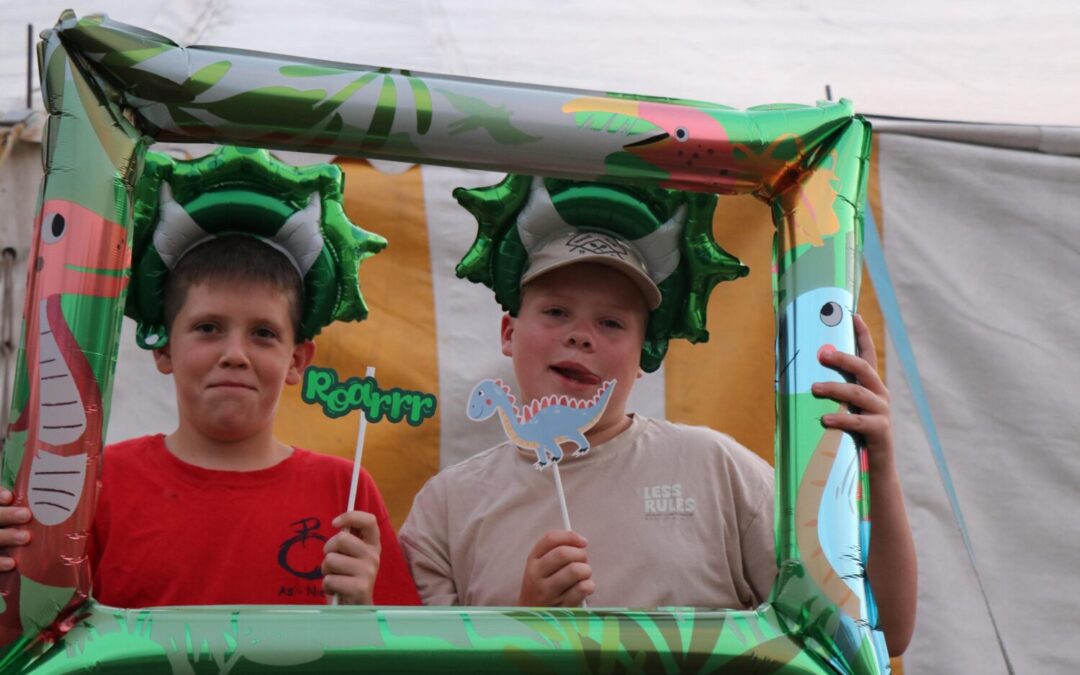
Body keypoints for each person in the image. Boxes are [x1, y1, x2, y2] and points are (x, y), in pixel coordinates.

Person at [399, 175, 916, 655]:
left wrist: (878, 461)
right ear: (509, 333)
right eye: (556, 312)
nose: (580, 336)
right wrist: (525, 626)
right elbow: (416, 660)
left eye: (612, 323)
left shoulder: (717, 469)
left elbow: (879, 631)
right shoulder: (446, 508)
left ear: (645, 353)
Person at [0, 149, 419, 609]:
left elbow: (400, 641)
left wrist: (364, 609)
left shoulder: (346, 492)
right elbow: (39, 631)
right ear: (163, 349)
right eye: (208, 328)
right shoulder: (95, 487)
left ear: (297, 360)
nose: (235, 354)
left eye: (263, 333)